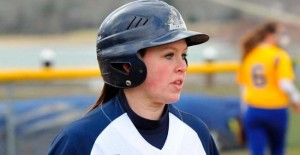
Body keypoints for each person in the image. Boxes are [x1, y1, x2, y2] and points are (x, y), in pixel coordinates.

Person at [47, 0, 219, 154]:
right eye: (169, 55)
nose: (182, 67)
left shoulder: (197, 132)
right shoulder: (82, 140)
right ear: (127, 64)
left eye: (184, 56)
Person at [236, 21, 300, 155]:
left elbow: (243, 88)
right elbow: (285, 83)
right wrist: (296, 99)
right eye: (279, 33)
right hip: (276, 110)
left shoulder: (249, 54)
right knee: (277, 150)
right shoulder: (279, 54)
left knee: (257, 151)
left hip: (253, 109)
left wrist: (243, 112)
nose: (282, 37)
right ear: (269, 35)